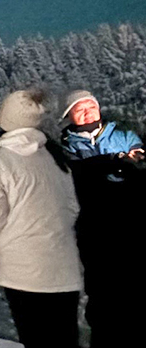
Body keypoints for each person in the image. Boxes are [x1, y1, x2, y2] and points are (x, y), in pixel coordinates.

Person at [0, 90, 81, 348]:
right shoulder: (55, 158)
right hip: (63, 266)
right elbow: (72, 208)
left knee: (35, 338)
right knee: (65, 339)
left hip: (22, 269)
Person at [59, 90, 146, 347]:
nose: (87, 111)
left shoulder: (122, 134)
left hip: (133, 224)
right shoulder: (66, 146)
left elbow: (139, 160)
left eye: (90, 106)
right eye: (79, 108)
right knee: (101, 294)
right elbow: (77, 175)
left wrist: (126, 163)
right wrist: (113, 162)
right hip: (94, 228)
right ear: (70, 116)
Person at [59, 90, 144, 162]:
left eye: (92, 107)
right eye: (80, 110)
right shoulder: (69, 145)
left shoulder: (123, 133)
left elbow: (138, 149)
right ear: (68, 116)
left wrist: (136, 155)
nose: (88, 113)